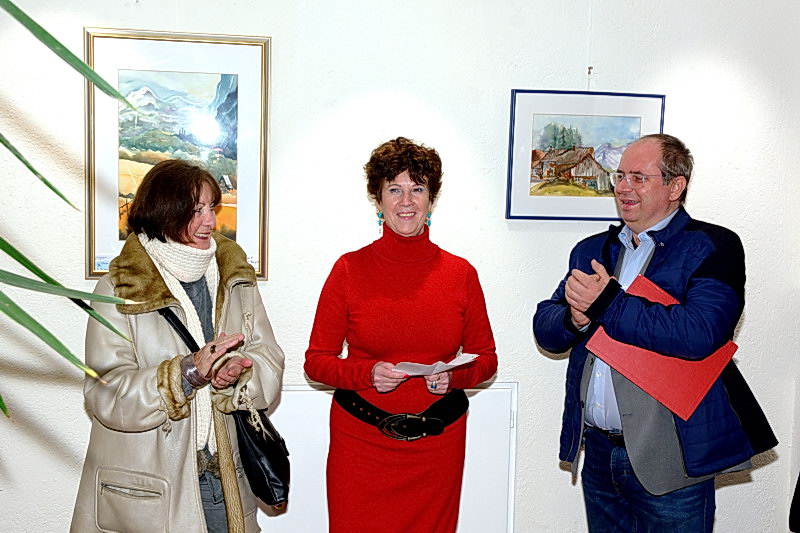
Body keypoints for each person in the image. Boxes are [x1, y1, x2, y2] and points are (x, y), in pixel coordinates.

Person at [533, 134, 776, 532]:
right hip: (598, 453)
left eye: (639, 178)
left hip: (671, 457)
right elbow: (547, 328)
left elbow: (700, 333)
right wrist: (575, 320)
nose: (623, 187)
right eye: (620, 176)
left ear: (675, 186)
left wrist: (606, 303)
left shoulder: (714, 246)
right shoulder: (592, 250)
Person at [71, 160, 285, 532]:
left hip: (225, 480)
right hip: (150, 489)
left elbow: (269, 357)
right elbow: (105, 394)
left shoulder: (235, 279)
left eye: (211, 208)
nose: (210, 221)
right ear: (164, 212)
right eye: (196, 210)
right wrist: (186, 374)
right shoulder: (120, 287)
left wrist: (235, 376)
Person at [304, 137, 498, 533]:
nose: (406, 201)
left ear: (431, 199)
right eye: (394, 189)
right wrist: (367, 374)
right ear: (378, 200)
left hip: (437, 448)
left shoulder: (461, 274)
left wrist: (453, 378)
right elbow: (316, 362)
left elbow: (486, 359)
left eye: (417, 189)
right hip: (361, 446)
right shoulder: (348, 269)